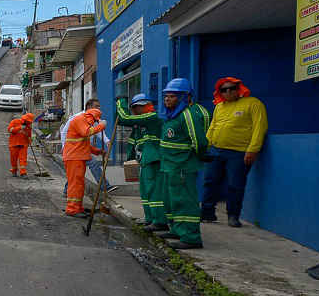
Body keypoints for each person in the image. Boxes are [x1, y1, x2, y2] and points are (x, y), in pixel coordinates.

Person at [201, 76, 267, 228]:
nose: (228, 91)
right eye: (224, 90)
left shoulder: (253, 103)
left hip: (239, 152)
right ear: (220, 92)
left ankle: (233, 216)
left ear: (239, 89)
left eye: (232, 88)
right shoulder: (219, 107)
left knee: (235, 185)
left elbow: (260, 127)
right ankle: (207, 213)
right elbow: (213, 127)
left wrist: (253, 150)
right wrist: (206, 146)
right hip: (215, 151)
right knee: (210, 182)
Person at [157, 77, 211, 249]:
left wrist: (198, 156)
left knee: (185, 201)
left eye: (172, 96)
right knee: (172, 200)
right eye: (166, 96)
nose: (167, 99)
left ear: (185, 97)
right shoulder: (172, 115)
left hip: (182, 166)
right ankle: (177, 230)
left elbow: (200, 142)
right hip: (170, 166)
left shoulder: (189, 114)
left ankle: (191, 237)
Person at [114, 93, 166, 230]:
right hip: (145, 160)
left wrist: (121, 102)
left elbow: (124, 118)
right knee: (145, 191)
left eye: (135, 108)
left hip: (154, 159)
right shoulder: (141, 122)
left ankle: (159, 221)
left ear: (144, 106)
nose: (134, 112)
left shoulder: (151, 117)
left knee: (154, 191)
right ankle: (150, 218)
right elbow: (120, 120)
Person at [62, 105, 105, 217]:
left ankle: (77, 207)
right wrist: (100, 126)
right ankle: (72, 209)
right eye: (95, 121)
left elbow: (83, 142)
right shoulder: (80, 120)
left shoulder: (83, 121)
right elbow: (86, 132)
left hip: (78, 157)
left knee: (79, 184)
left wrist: (97, 151)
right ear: (92, 117)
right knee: (75, 184)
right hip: (74, 157)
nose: (94, 123)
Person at [7, 112, 34, 177]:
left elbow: (29, 135)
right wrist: (20, 127)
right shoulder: (14, 122)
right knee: (13, 159)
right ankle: (14, 170)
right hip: (14, 144)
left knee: (23, 159)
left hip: (23, 145)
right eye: (27, 121)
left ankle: (23, 173)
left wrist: (30, 141)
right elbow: (10, 130)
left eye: (29, 122)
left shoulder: (28, 126)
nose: (28, 123)